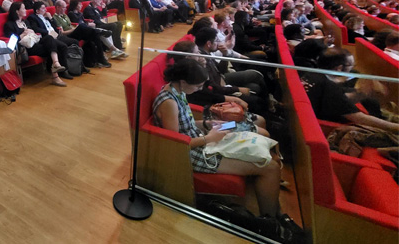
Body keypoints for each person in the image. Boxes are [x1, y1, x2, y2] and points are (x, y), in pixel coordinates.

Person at [154, 59, 284, 219]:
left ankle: (274, 210)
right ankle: (270, 221)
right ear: (183, 81)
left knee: (264, 147)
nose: (200, 89)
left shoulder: (178, 92)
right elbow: (175, 144)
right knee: (269, 167)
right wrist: (209, 138)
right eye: (197, 86)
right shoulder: (169, 102)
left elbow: (185, 125)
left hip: (202, 139)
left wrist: (208, 123)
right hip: (194, 152)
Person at [302, 49, 399, 132]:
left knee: (369, 101)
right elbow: (360, 118)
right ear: (339, 68)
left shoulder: (312, 74)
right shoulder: (329, 86)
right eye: (350, 66)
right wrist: (395, 128)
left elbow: (339, 100)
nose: (352, 69)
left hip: (312, 118)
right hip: (323, 128)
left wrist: (362, 93)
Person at [4, 2, 68, 87]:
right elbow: (11, 42)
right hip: (26, 48)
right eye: (23, 8)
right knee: (53, 48)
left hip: (35, 41)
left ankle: (56, 64)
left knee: (49, 39)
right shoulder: (9, 25)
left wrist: (32, 32)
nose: (25, 10)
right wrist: (23, 34)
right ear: (17, 11)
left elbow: (34, 33)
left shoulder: (25, 22)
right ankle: (55, 76)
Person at [52, 0, 112, 68]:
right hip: (68, 35)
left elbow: (71, 24)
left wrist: (75, 28)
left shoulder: (65, 15)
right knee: (82, 26)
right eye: (63, 7)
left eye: (65, 7)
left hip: (74, 31)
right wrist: (75, 29)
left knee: (94, 36)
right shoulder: (55, 18)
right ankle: (99, 31)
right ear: (57, 7)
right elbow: (62, 33)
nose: (65, 9)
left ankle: (100, 58)